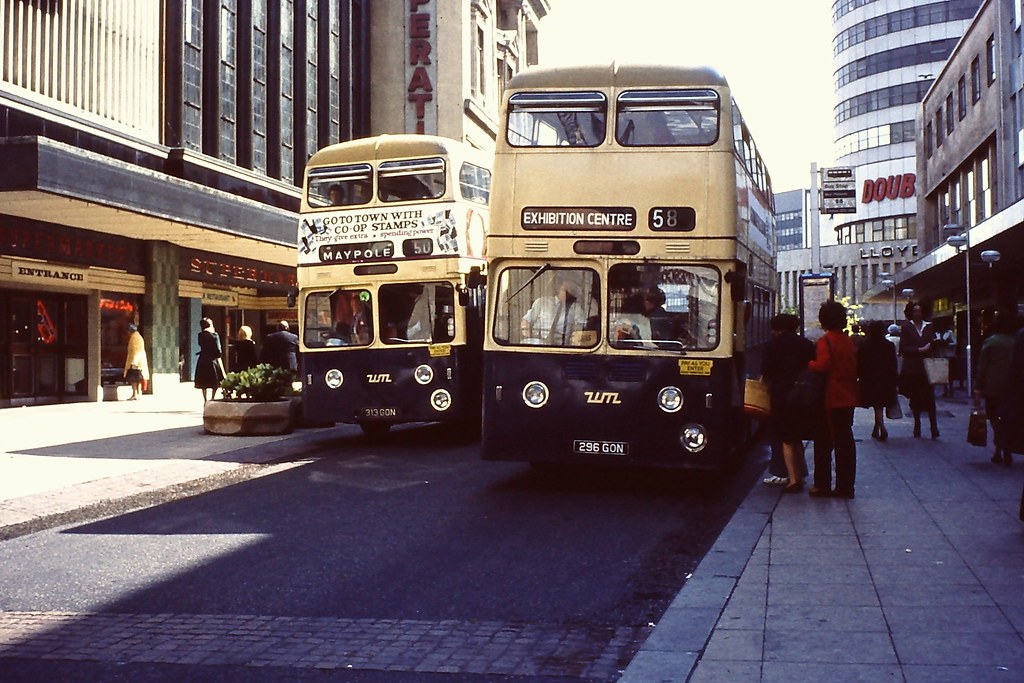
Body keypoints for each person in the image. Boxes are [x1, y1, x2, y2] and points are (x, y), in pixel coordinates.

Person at [807, 300, 859, 499]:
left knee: (824, 442)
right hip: (848, 394)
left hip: (830, 397)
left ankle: (823, 485)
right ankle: (847, 486)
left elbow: (823, 365)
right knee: (846, 441)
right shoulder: (847, 340)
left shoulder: (825, 341)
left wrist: (809, 363)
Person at [761, 313, 815, 492]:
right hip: (803, 395)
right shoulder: (806, 345)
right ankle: (799, 474)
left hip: (782, 396)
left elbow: (766, 373)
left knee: (786, 439)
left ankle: (793, 479)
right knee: (797, 436)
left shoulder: (773, 346)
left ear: (777, 328)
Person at [975, 311, 1016, 466]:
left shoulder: (991, 342)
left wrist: (978, 388)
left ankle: (1000, 446)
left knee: (994, 417)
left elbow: (982, 366)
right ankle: (1004, 447)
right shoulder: (1016, 341)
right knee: (1007, 417)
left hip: (993, 386)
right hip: (1012, 385)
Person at [898, 300, 939, 439]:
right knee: (915, 398)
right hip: (913, 368)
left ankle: (934, 427)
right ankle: (917, 425)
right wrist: (919, 349)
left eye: (919, 311)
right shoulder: (906, 327)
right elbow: (903, 348)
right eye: (915, 311)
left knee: (930, 398)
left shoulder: (929, 327)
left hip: (927, 367)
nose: (917, 314)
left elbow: (934, 344)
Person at [857, 319, 899, 442]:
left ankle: (880, 427)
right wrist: (895, 380)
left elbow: (860, 363)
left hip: (870, 378)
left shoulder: (865, 345)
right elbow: (893, 363)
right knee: (879, 404)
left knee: (876, 404)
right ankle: (878, 426)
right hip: (885, 378)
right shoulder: (888, 345)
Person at [521, 276, 585, 345]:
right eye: (564, 290)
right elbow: (526, 320)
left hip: (561, 348)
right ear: (558, 289)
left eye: (570, 291)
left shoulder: (576, 308)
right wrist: (528, 333)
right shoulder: (542, 302)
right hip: (538, 344)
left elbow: (582, 327)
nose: (567, 294)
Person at [195, 317, 225, 403]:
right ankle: (212, 398)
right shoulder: (215, 335)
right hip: (212, 360)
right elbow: (218, 350)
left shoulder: (200, 335)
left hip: (203, 359)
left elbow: (201, 344)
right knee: (214, 381)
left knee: (203, 381)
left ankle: (205, 399)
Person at [122, 323, 149, 401]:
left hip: (135, 362)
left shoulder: (134, 338)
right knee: (138, 379)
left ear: (130, 331)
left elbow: (135, 350)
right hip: (140, 362)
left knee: (133, 379)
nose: (127, 333)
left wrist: (134, 362)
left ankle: (135, 394)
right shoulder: (138, 336)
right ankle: (138, 394)